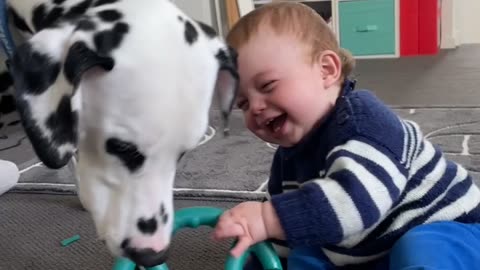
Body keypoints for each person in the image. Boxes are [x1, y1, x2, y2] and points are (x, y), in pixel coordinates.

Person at [211, 2, 480, 270]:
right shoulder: (287, 160)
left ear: (327, 70)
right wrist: (259, 244)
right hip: (370, 247)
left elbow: (354, 201)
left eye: (267, 85)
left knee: (422, 248)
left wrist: (268, 219)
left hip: (445, 227)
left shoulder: (365, 123)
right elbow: (285, 234)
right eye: (243, 103)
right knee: (304, 255)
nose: (255, 107)